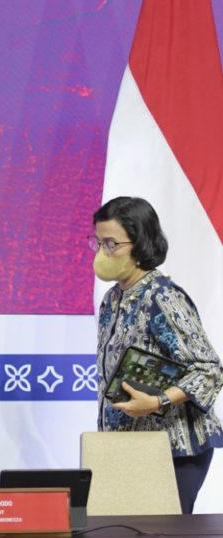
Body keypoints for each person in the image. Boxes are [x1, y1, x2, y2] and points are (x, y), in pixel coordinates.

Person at [92, 196, 223, 514]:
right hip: (129, 448)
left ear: (138, 244)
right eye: (97, 243)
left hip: (174, 450)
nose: (101, 253)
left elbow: (209, 370)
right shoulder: (112, 299)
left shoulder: (162, 297)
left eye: (111, 244)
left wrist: (157, 402)